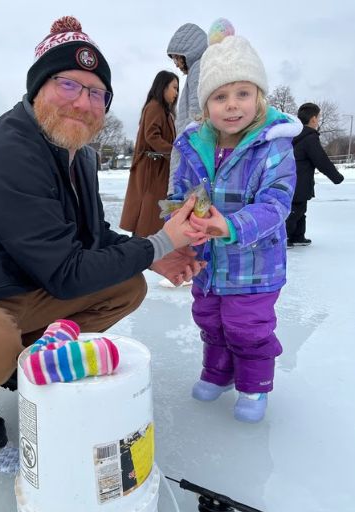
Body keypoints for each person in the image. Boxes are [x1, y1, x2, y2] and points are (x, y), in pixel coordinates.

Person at [0, 16, 203, 454]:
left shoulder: (78, 154)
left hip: (22, 279)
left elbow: (93, 234)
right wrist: (161, 241)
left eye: (97, 93)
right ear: (37, 87)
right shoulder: (8, 150)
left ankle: (17, 362)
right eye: (68, 85)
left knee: (126, 286)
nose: (84, 103)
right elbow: (67, 273)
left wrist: (152, 257)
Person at [170, 18, 302, 423]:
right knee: (209, 319)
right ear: (205, 105)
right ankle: (218, 372)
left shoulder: (273, 147)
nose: (232, 105)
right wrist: (182, 217)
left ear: (258, 98)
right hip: (209, 265)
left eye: (242, 93)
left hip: (254, 266)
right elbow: (183, 190)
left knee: (247, 327)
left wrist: (231, 225)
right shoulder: (195, 145)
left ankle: (254, 386)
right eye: (220, 96)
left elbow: (277, 202)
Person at [119, 71, 178, 237]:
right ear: (163, 87)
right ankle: (143, 245)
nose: (176, 93)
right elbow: (152, 136)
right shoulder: (155, 107)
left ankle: (147, 244)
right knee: (148, 210)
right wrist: (175, 152)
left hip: (158, 168)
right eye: (174, 87)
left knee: (152, 211)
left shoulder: (164, 111)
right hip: (151, 169)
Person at [286, 102, 344, 247]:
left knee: (300, 209)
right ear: (313, 119)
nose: (318, 121)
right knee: (295, 211)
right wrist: (337, 177)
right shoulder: (309, 138)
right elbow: (321, 160)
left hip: (292, 180)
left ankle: (297, 236)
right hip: (299, 182)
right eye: (318, 118)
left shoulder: (294, 135)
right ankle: (285, 237)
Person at [166, 23, 208, 194]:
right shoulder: (200, 68)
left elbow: (197, 115)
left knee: (184, 200)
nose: (176, 63)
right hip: (191, 145)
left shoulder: (198, 69)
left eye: (176, 57)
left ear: (187, 52)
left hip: (191, 147)